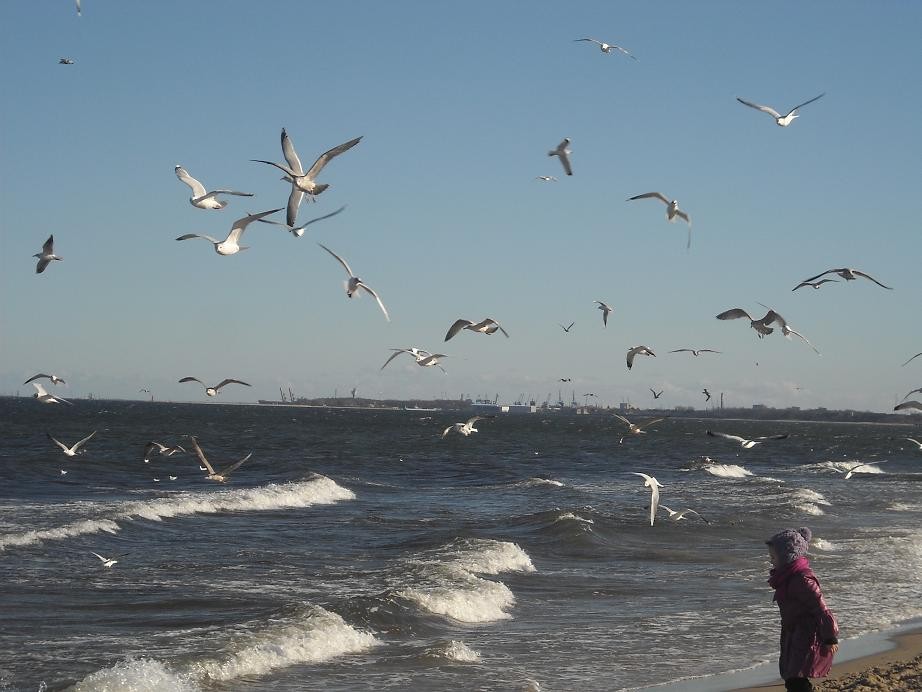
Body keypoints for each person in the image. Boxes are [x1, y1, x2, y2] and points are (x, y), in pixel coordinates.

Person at [765, 527, 839, 692]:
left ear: (787, 557)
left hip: (807, 634)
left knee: (795, 678)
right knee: (792, 676)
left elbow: (821, 607)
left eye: (773, 557)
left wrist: (830, 637)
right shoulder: (786, 577)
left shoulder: (802, 579)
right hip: (793, 631)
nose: (771, 561)